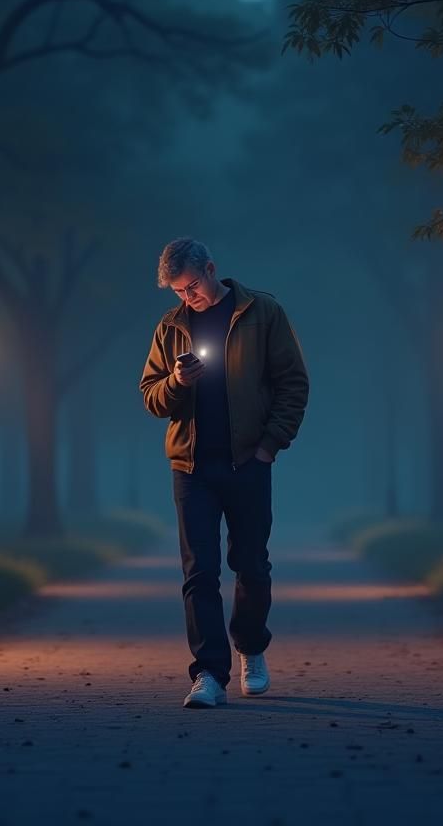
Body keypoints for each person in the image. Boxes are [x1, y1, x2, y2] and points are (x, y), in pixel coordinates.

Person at [139, 238, 309, 709]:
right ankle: (209, 674)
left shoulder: (263, 313)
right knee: (199, 573)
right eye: (177, 291)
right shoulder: (170, 327)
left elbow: (293, 383)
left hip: (248, 463)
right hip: (191, 469)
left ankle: (250, 649)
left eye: (191, 286)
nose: (186, 297)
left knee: (251, 565)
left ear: (211, 269)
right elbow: (151, 397)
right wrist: (177, 381)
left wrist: (269, 447)